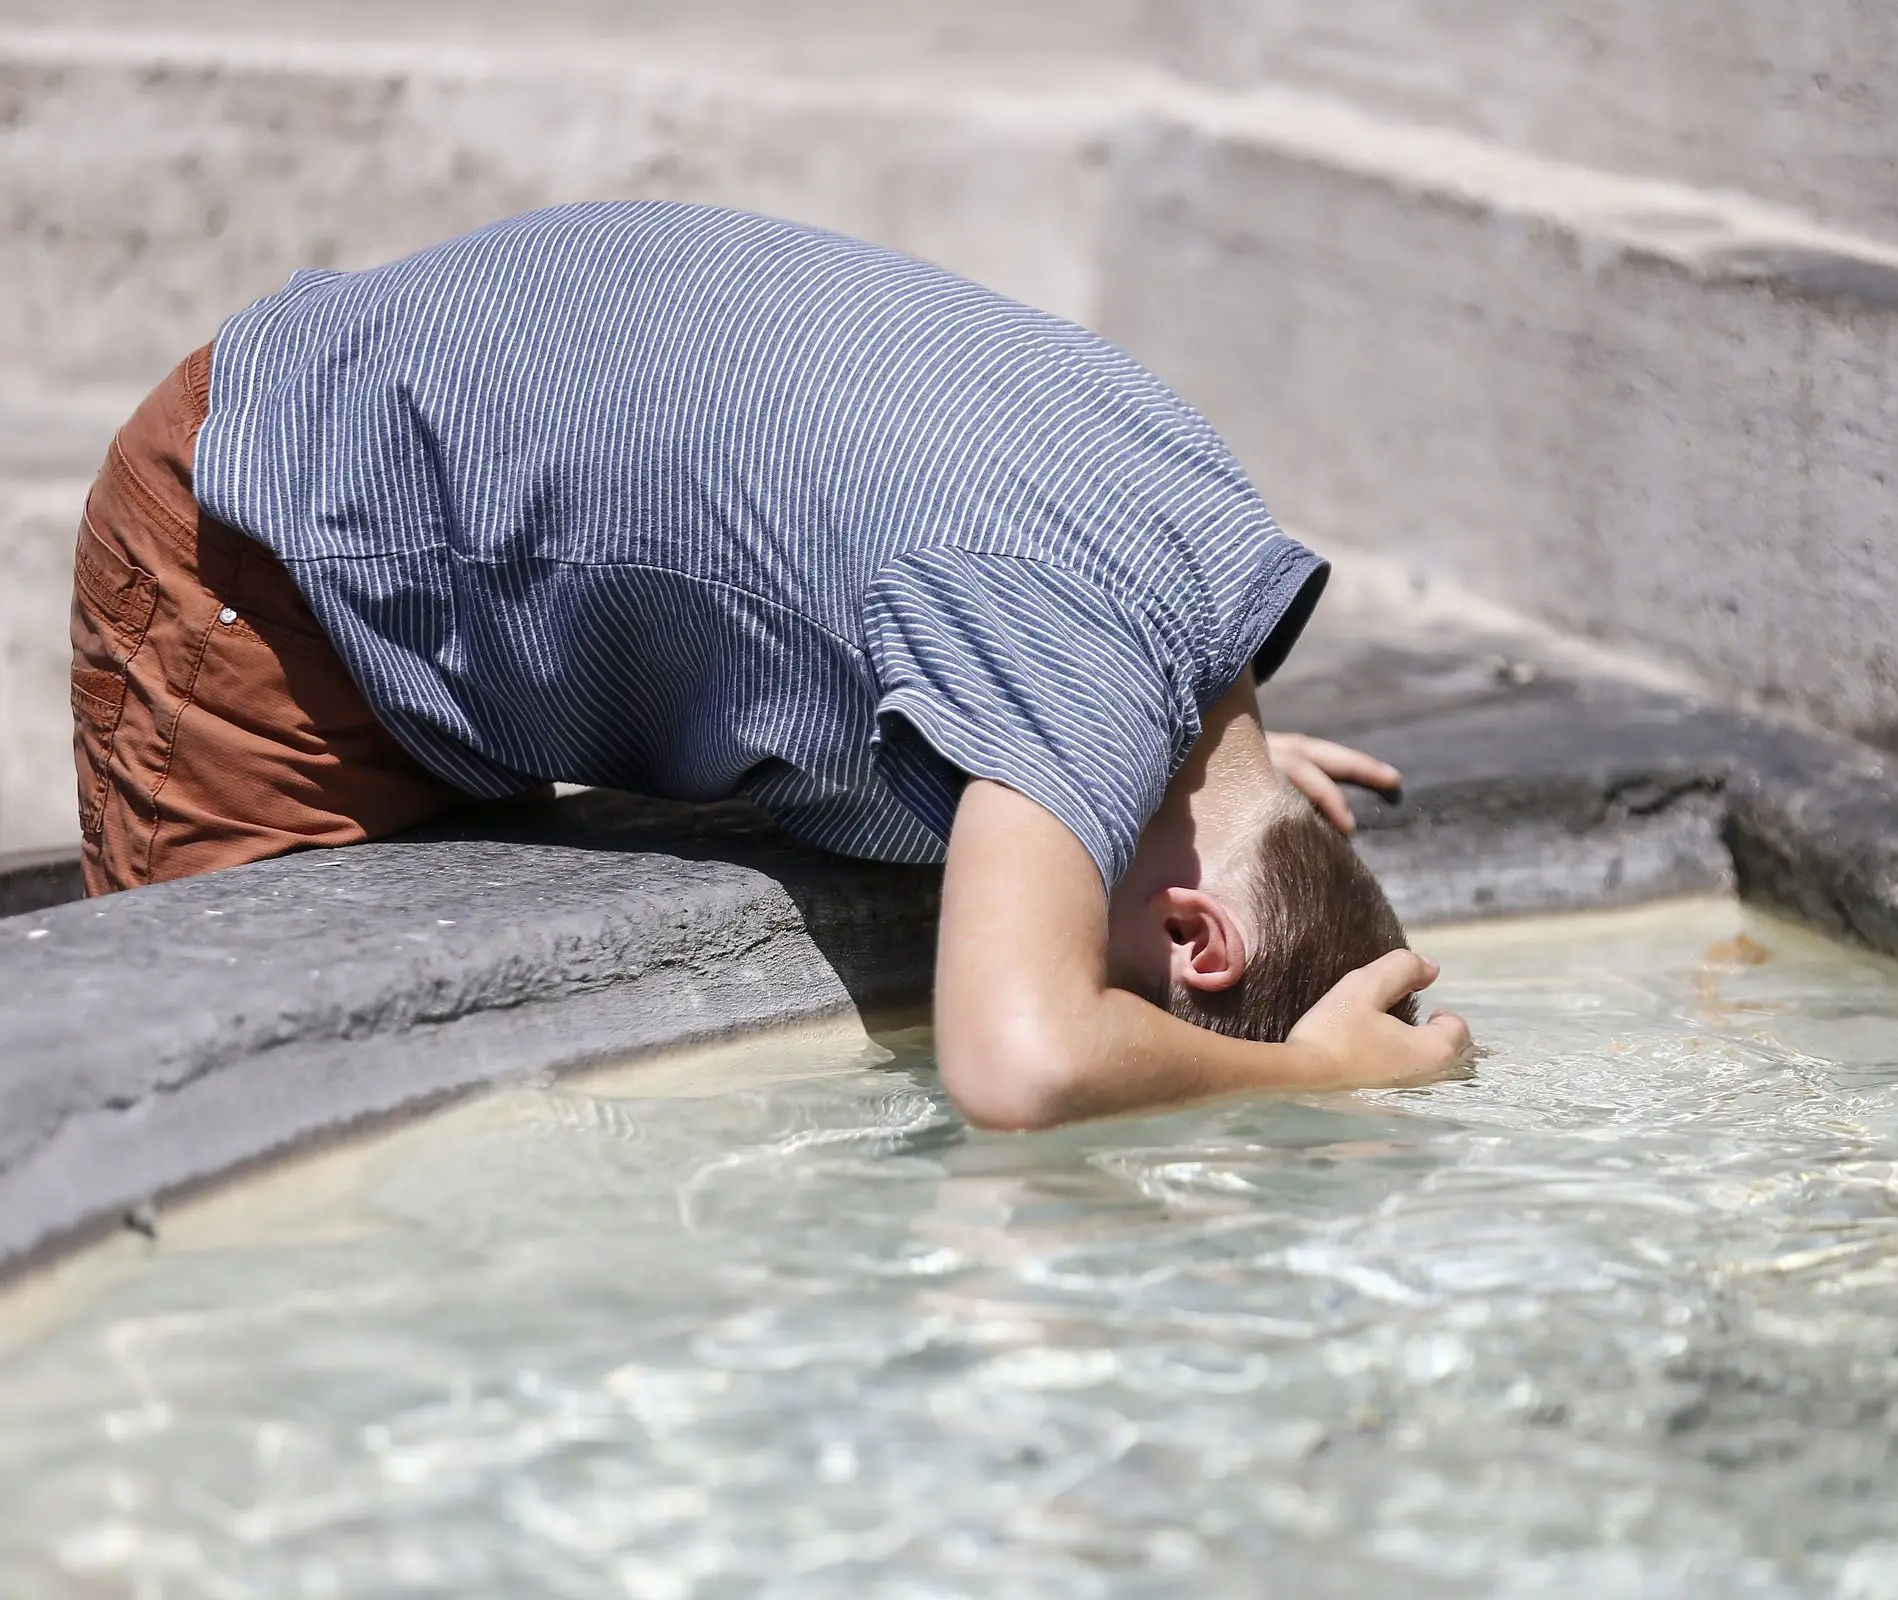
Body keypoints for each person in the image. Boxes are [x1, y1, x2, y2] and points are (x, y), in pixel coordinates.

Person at [67, 200, 1473, 1127]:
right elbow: (1023, 1056)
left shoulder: (1197, 557)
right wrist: (1297, 1079)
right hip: (258, 548)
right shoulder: (1072, 685)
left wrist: (1223, 772)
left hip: (397, 434)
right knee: (253, 1133)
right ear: (1193, 939)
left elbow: (1022, 603)